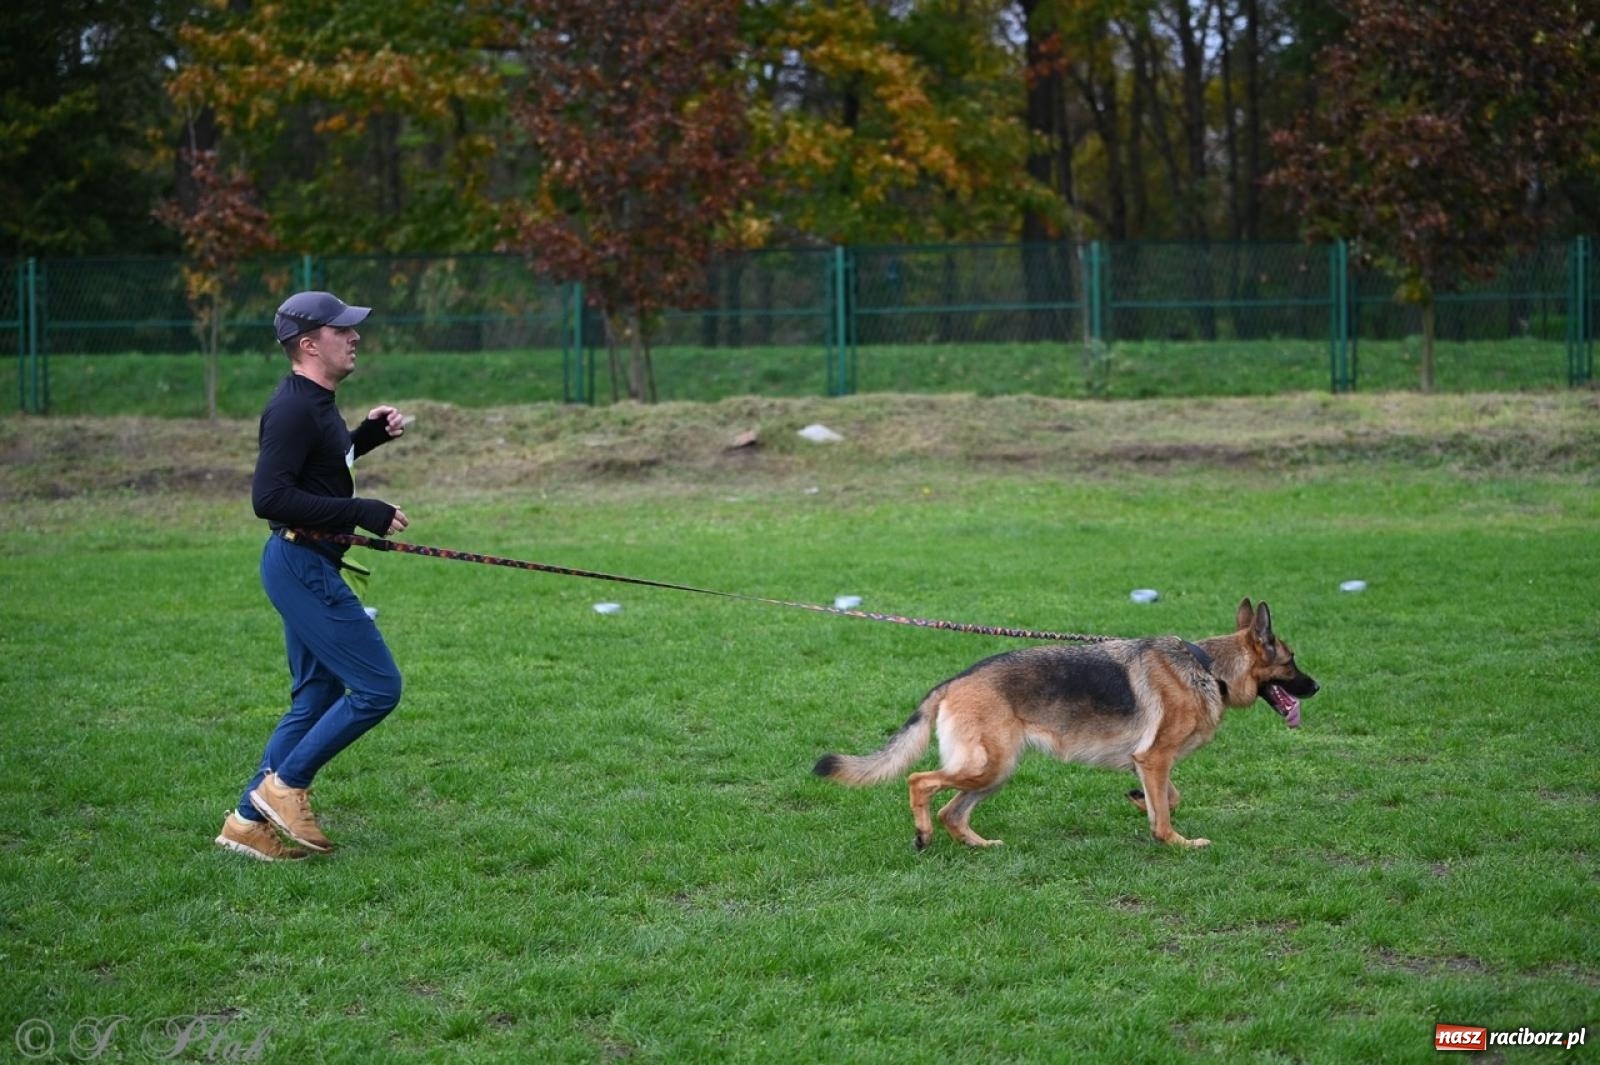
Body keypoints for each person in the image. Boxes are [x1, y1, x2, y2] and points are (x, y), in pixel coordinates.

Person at [215, 291, 410, 861]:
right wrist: (361, 511)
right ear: (308, 344)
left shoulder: (318, 405)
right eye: (341, 330)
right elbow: (270, 496)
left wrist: (365, 438)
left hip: (306, 561)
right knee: (378, 687)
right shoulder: (293, 408)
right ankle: (284, 786)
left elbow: (320, 471)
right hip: (301, 563)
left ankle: (248, 823)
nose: (354, 337)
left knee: (318, 694)